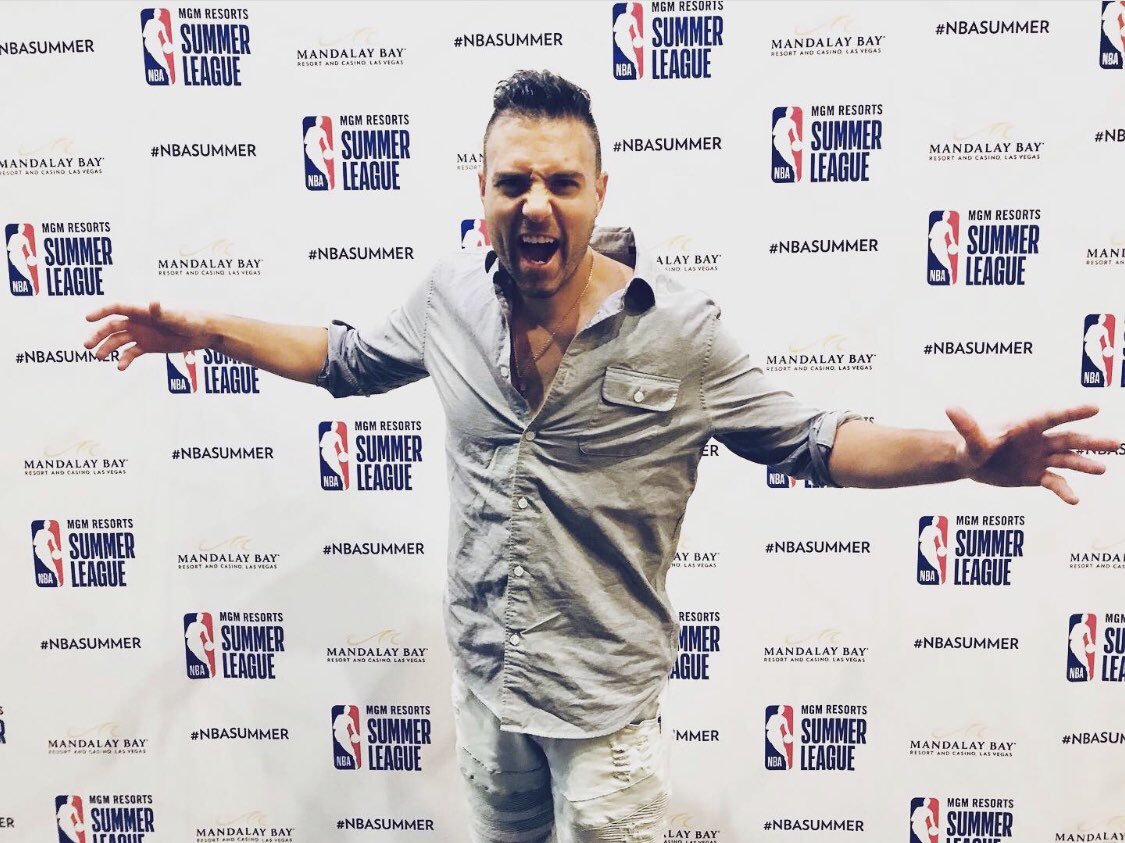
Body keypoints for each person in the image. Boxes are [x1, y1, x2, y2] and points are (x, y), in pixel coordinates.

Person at [85, 70, 1116, 843]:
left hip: (603, 712)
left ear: (598, 192)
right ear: (482, 192)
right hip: (488, 685)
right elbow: (345, 358)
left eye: (561, 183)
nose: (536, 203)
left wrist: (961, 462)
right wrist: (209, 330)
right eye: (514, 182)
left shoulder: (680, 332)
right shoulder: (447, 298)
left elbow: (815, 440)